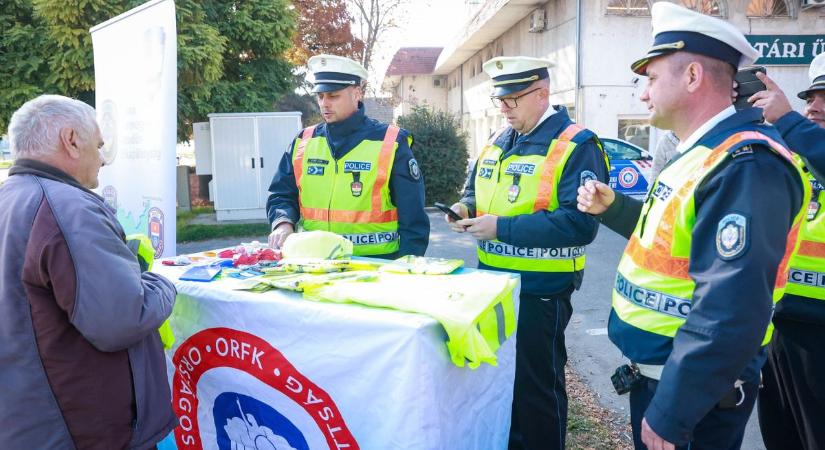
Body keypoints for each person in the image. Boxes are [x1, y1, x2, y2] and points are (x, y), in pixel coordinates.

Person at [576, 3, 809, 449]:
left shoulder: (745, 164)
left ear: (693, 77)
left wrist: (673, 410)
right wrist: (616, 210)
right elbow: (673, 248)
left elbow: (732, 308)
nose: (643, 94)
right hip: (668, 381)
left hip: (692, 397)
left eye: (651, 78)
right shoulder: (701, 154)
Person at [446, 56, 609, 449]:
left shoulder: (578, 146)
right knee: (504, 384)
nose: (503, 108)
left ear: (542, 94)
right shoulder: (498, 141)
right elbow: (475, 192)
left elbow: (580, 224)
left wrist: (500, 227)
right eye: (499, 99)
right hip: (496, 287)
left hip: (542, 290)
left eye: (512, 99)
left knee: (537, 390)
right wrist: (465, 208)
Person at [0, 95, 177, 449]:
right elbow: (123, 319)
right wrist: (160, 282)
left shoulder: (10, 197)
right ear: (71, 140)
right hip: (85, 427)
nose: (102, 159)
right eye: (98, 145)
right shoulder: (68, 208)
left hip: (31, 419)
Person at [266, 54, 429, 258]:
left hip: (375, 268)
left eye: (333, 96)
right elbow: (281, 193)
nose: (324, 103)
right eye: (320, 96)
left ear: (357, 93)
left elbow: (413, 220)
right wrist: (283, 223)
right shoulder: (303, 141)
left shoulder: (391, 142)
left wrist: (406, 270)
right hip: (313, 263)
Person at [748, 52, 825, 450]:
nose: (813, 106)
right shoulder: (798, 154)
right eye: (811, 96)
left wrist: (789, 120)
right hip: (780, 329)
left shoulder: (805, 139)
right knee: (781, 438)